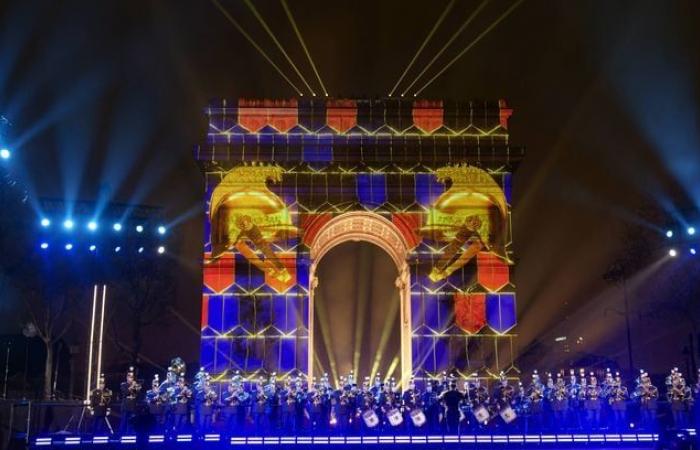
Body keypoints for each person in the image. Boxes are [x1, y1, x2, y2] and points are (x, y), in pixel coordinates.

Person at [119, 367, 141, 433]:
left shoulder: (136, 385)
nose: (131, 378)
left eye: (132, 377)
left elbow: (138, 396)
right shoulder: (123, 385)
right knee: (124, 422)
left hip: (133, 407)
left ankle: (130, 436)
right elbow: (126, 392)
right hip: (125, 407)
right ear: (127, 377)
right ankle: (121, 436)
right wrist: (132, 386)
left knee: (131, 423)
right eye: (130, 376)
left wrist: (138, 389)